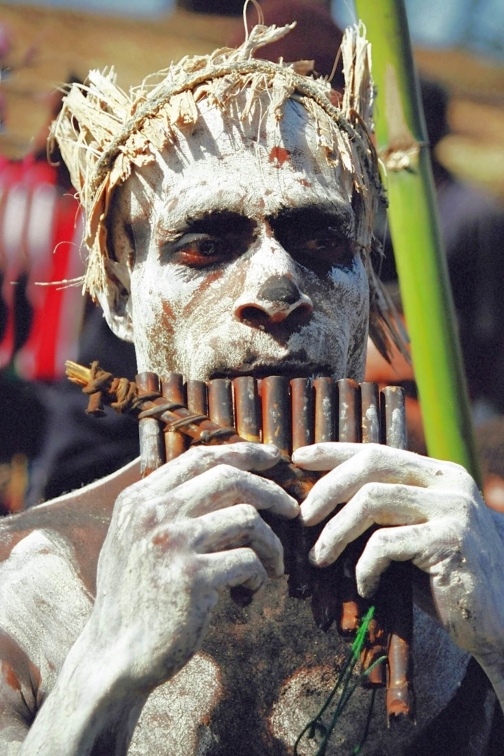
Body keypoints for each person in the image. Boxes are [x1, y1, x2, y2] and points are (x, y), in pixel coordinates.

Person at [1, 21, 504, 756]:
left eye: (322, 242)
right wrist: (103, 664)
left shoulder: (481, 558)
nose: (277, 288)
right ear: (116, 293)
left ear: (367, 289)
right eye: (206, 244)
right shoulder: (27, 582)